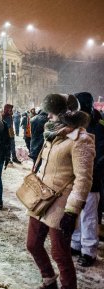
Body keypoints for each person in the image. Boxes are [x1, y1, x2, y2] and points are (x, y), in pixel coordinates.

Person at [25, 94, 95, 289]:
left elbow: (84, 179)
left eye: (52, 113)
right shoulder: (53, 134)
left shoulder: (80, 140)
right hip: (42, 198)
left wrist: (72, 211)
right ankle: (49, 282)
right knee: (33, 243)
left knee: (60, 252)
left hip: (62, 203)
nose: (48, 116)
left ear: (65, 114)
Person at [71, 92, 104, 267]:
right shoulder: (78, 123)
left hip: (92, 178)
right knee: (75, 212)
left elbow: (101, 152)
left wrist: (92, 167)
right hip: (76, 178)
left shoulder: (99, 125)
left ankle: (89, 250)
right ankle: (76, 244)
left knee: (89, 216)